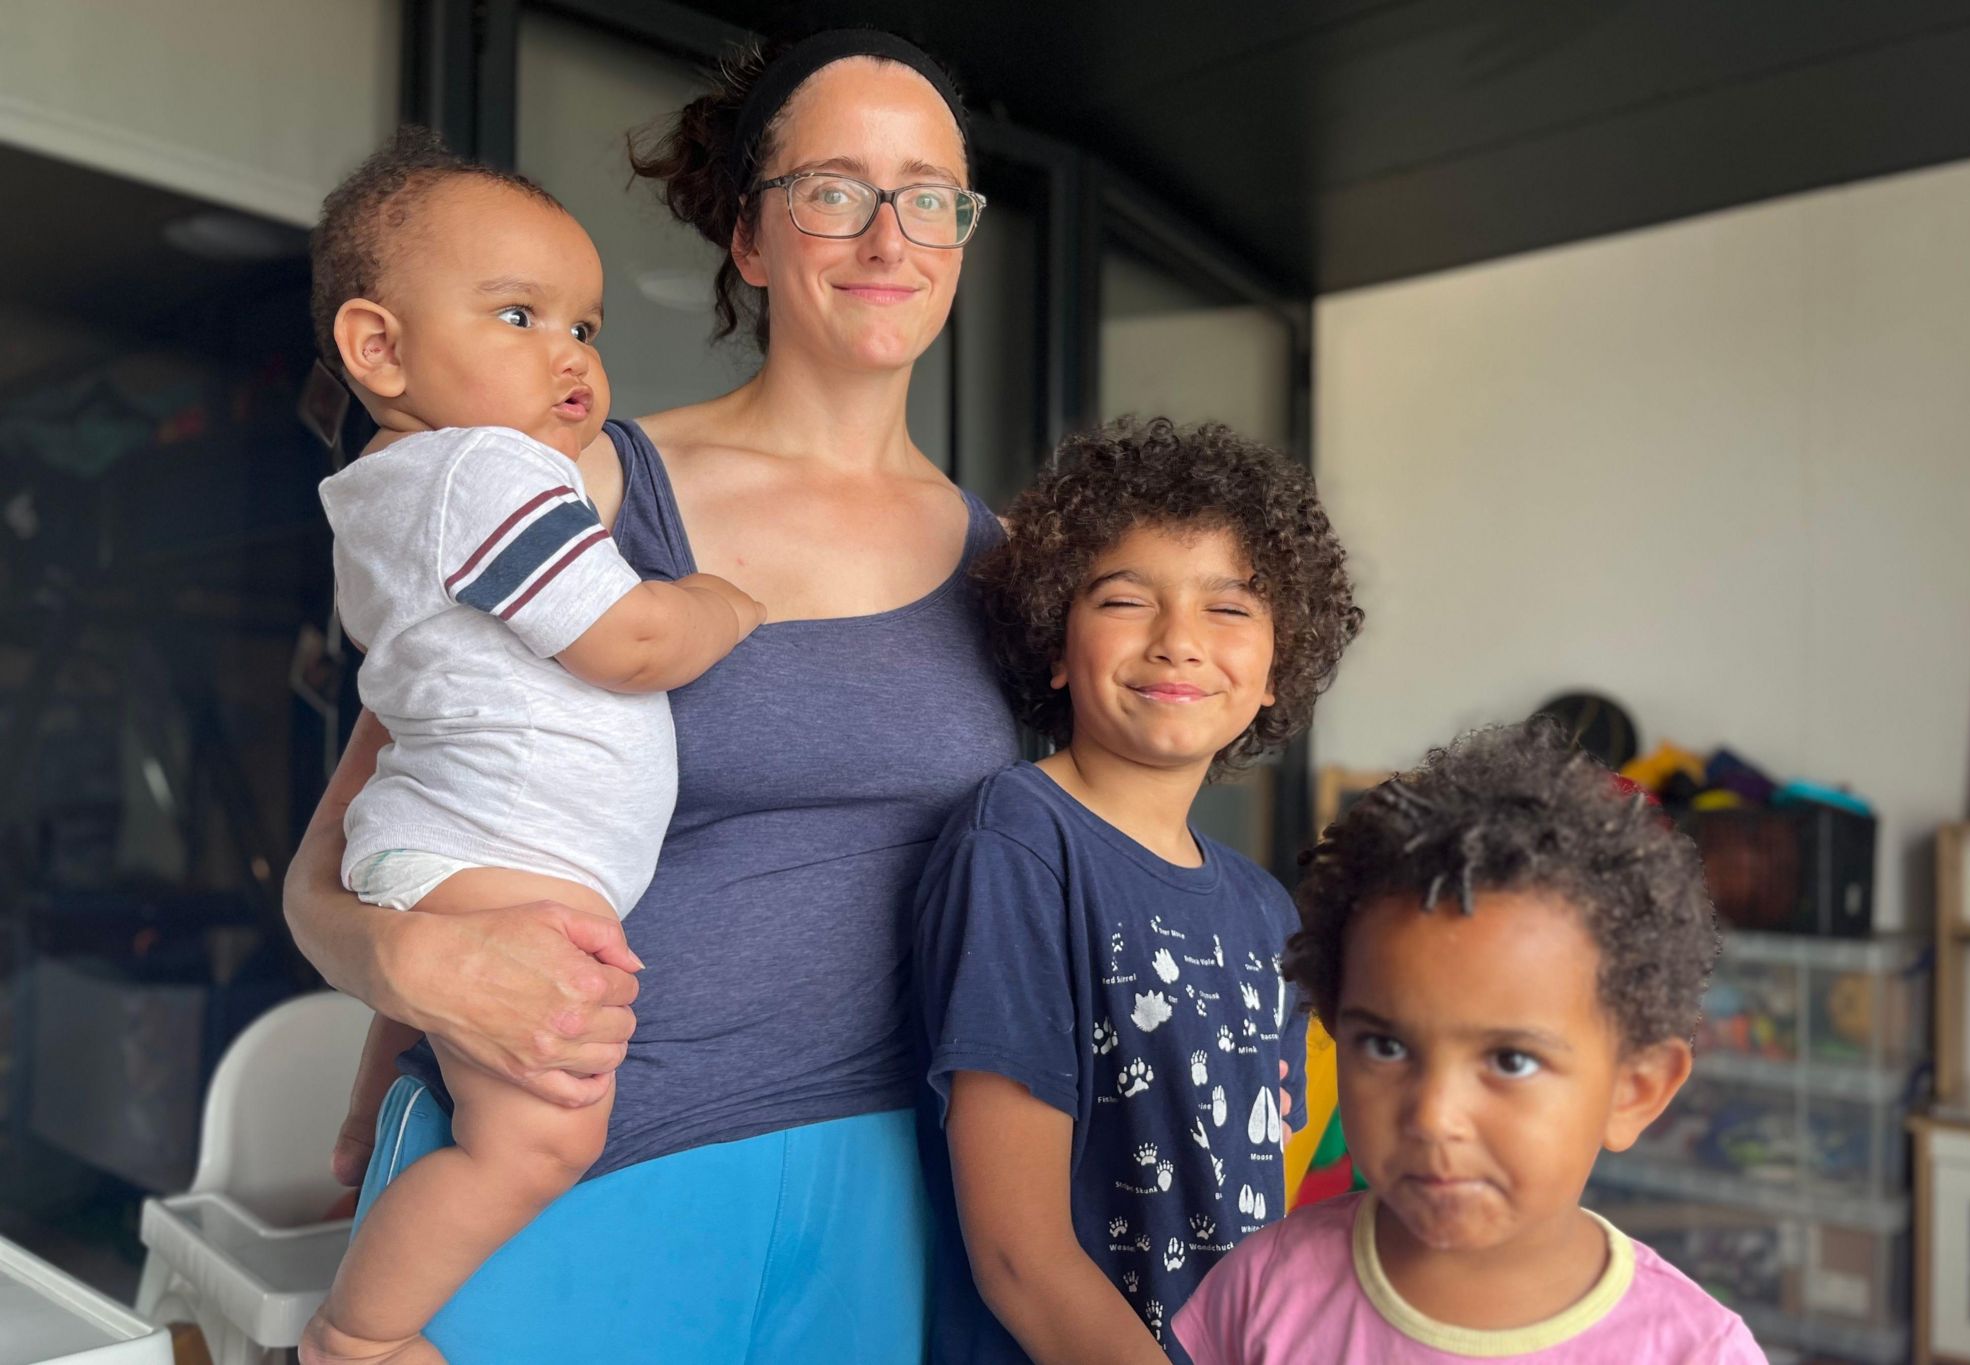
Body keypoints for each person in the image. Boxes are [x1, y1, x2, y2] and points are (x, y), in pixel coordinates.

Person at [282, 29, 1017, 1362]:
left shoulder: (1012, 564)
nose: (887, 235)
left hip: (887, 1190)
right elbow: (341, 858)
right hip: (586, 1156)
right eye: (834, 189)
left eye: (930, 195)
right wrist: (407, 970)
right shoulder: (571, 486)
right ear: (749, 234)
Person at [297, 129, 764, 1365]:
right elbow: (624, 641)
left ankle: (361, 1173)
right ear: (377, 346)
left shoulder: (410, 484)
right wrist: (721, 603)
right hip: (495, 849)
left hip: (464, 845)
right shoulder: (484, 473)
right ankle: (358, 1334)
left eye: (587, 327)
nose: (569, 355)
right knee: (542, 1137)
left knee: (487, 1089)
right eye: (517, 316)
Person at [915, 418, 1363, 1364]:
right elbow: (1017, 1250)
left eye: (1230, 609)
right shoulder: (1019, 841)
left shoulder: (1265, 911)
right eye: (1126, 600)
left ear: (1278, 664)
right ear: (1051, 635)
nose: (1178, 642)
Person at [1172, 722, 1769, 1363]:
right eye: (1386, 1047)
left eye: (1509, 1060)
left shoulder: (1696, 1351)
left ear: (1636, 1089)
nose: (1433, 1115)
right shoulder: (1262, 1289)